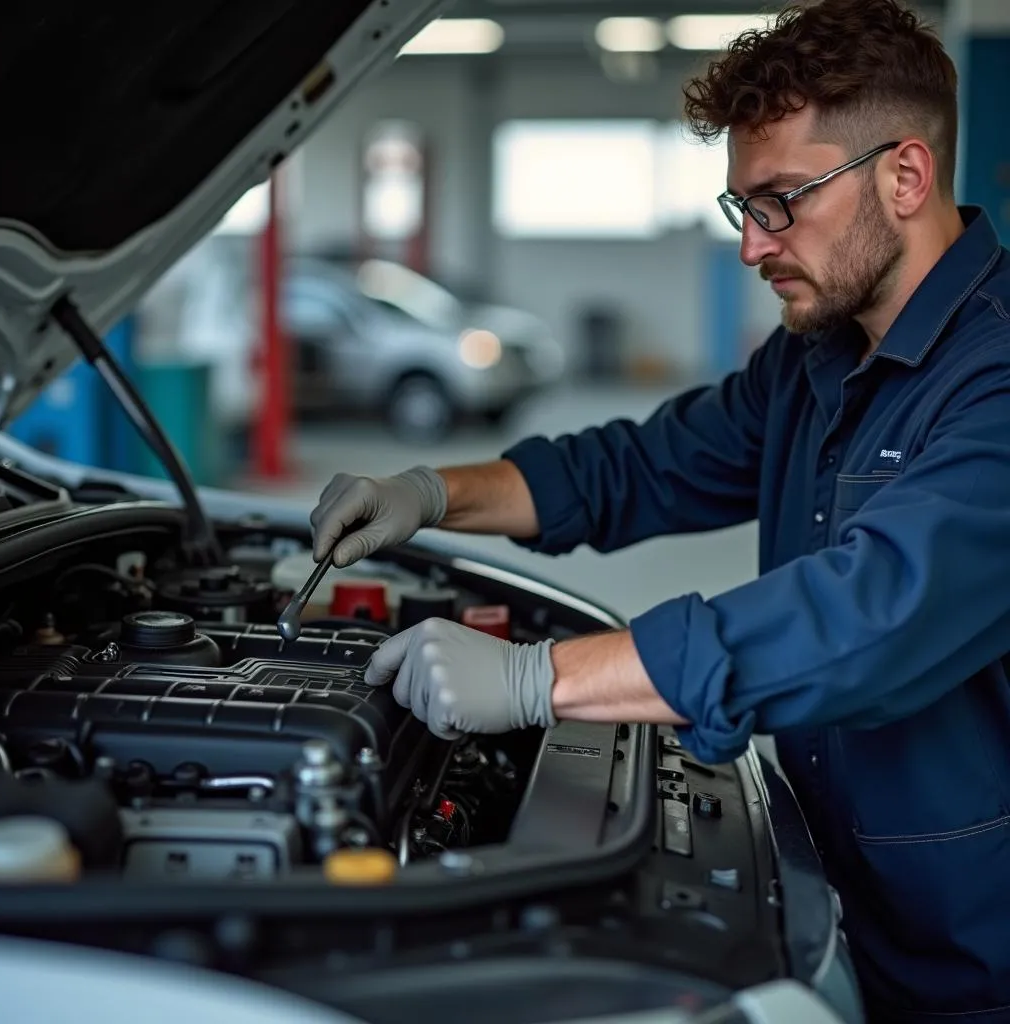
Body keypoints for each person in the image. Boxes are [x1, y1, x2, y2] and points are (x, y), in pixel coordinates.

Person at [310, 1, 1010, 1019]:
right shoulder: (811, 362)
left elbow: (867, 612)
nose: (751, 246)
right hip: (836, 900)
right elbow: (635, 466)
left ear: (903, 177)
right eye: (742, 209)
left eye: (781, 201)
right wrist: (424, 494)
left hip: (970, 955)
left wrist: (533, 677)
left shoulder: (995, 377)